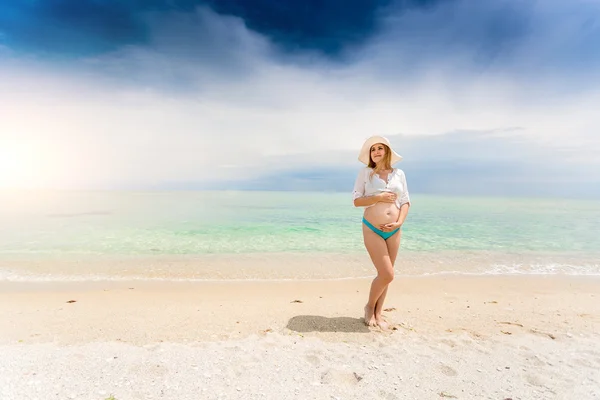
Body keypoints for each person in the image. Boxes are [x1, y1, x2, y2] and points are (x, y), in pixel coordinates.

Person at [352, 136, 411, 329]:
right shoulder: (365, 173)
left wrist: (398, 222)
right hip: (372, 228)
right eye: (372, 149)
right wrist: (378, 197)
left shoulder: (399, 174)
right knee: (387, 274)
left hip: (394, 229)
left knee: (387, 274)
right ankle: (369, 308)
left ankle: (378, 313)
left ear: (387, 151)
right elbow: (356, 201)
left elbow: (405, 201)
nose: (376, 152)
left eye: (380, 148)